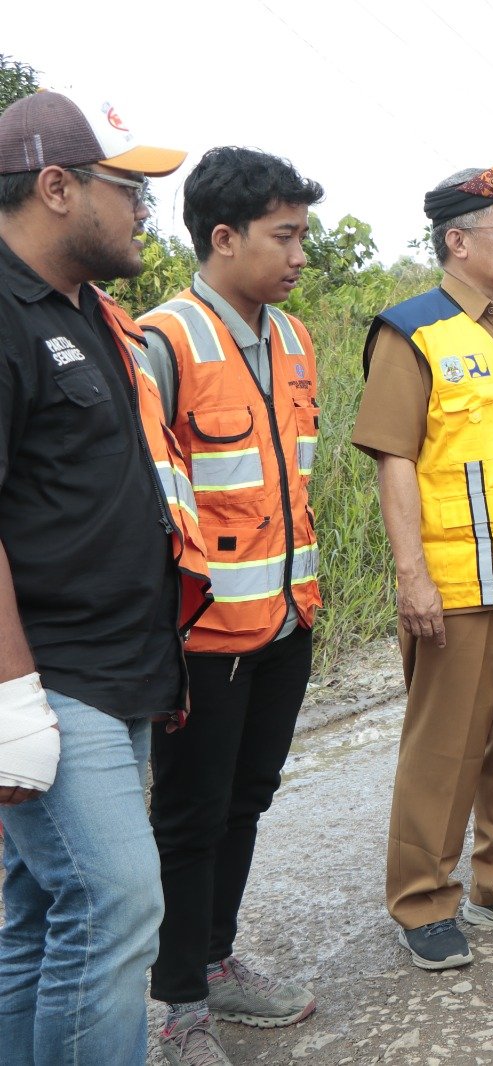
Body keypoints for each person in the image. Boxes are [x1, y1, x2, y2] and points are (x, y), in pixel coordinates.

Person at [0, 89, 210, 1063]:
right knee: (119, 903)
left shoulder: (91, 313)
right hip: (53, 675)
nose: (143, 213)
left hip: (119, 668)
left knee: (41, 916)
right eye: (129, 191)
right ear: (56, 188)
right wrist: (13, 699)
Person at [352, 162, 493, 971]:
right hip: (459, 585)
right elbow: (395, 459)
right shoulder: (412, 332)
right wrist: (411, 575)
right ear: (457, 242)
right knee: (444, 753)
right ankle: (423, 900)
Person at [138, 147, 324, 1062]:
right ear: (223, 237)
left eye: (302, 235)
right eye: (283, 237)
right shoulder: (162, 343)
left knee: (248, 798)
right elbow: (145, 505)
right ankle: (179, 1006)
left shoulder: (293, 340)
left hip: (286, 621)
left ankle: (214, 960)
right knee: (190, 817)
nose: (299, 255)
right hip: (203, 637)